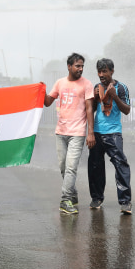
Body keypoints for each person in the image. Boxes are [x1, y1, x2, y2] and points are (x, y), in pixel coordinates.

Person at [44, 53, 95, 214]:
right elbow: (47, 102)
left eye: (82, 66)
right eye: (77, 66)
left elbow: (89, 109)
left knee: (71, 168)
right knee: (63, 167)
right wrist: (40, 90)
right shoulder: (60, 83)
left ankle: (65, 200)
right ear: (69, 66)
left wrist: (90, 133)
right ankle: (72, 194)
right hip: (61, 132)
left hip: (77, 133)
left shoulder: (86, 84)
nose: (80, 69)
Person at [88, 58, 132, 214]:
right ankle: (96, 198)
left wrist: (114, 96)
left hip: (113, 133)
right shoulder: (96, 88)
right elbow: (91, 110)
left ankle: (125, 202)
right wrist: (90, 132)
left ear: (112, 71)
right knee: (95, 166)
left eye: (104, 71)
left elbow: (126, 110)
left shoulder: (121, 88)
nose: (101, 74)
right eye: (99, 71)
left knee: (121, 164)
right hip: (97, 133)